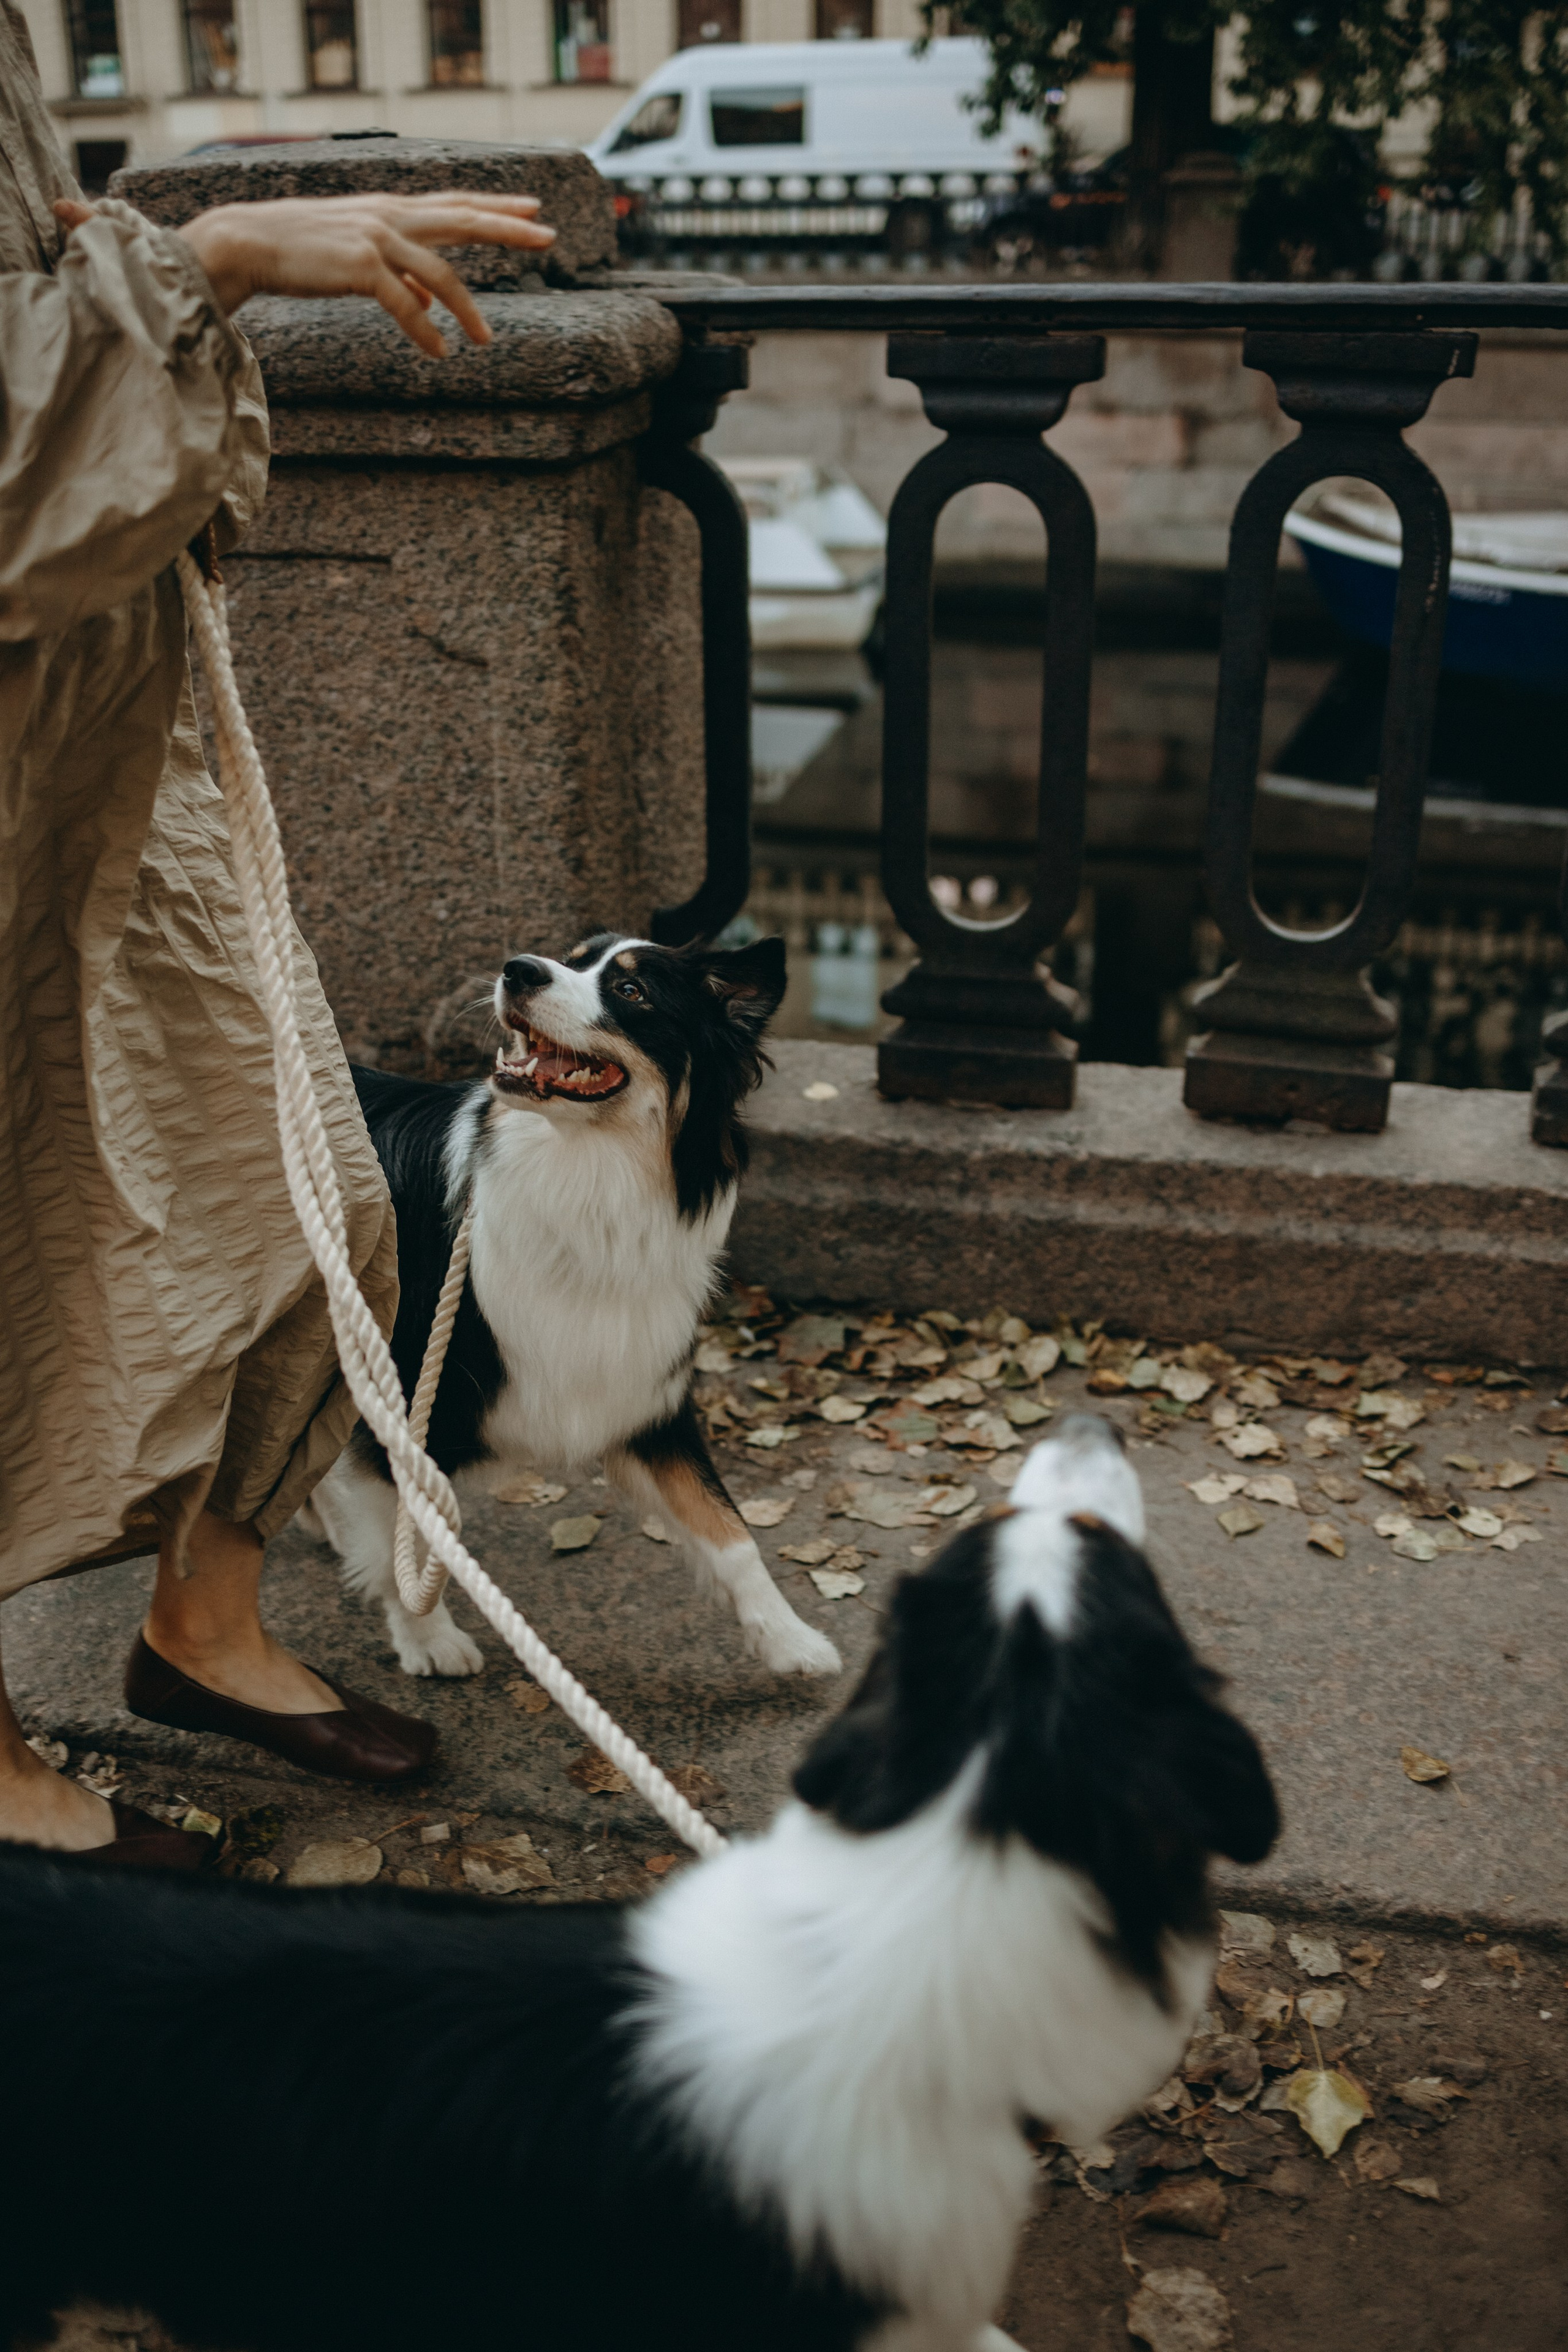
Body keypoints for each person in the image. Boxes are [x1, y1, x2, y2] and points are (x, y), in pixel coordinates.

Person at [0, 1, 556, 1863]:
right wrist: (211, 256)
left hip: (86, 728)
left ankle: (201, 1620)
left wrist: (109, 265)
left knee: (324, 1194)